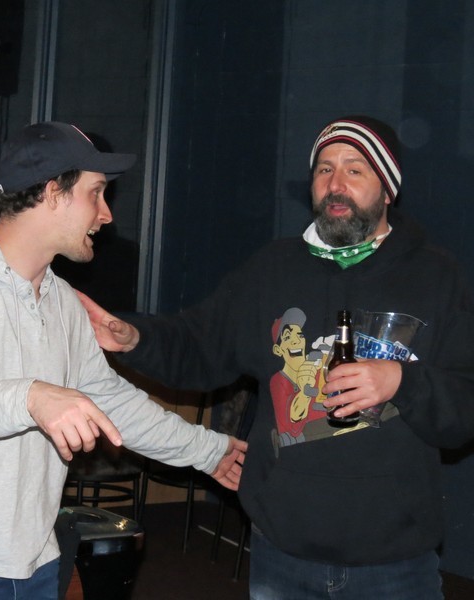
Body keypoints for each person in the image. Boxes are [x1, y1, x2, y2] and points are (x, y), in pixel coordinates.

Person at [79, 116, 474, 599]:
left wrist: (400, 381)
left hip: (394, 563)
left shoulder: (437, 277)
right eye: (324, 169)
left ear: (388, 189)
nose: (335, 184)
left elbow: (463, 410)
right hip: (282, 554)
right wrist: (133, 337)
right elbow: (200, 344)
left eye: (355, 170)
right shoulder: (272, 270)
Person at [0, 121, 248, 599]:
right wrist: (33, 397)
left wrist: (207, 451)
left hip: (35, 563)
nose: (106, 214)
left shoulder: (64, 302)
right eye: (96, 193)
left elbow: (110, 402)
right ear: (53, 193)